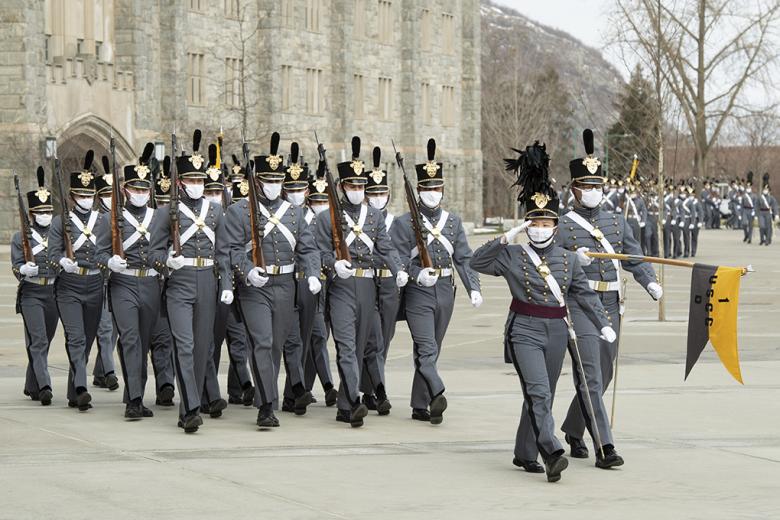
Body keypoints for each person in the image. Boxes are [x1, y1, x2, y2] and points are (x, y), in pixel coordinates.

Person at [471, 141, 616, 482]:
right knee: (537, 392)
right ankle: (551, 451)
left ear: (555, 226)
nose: (539, 228)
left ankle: (524, 452)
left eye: (546, 222)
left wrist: (603, 323)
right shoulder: (513, 255)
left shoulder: (567, 259)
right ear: (527, 224)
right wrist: (505, 238)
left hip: (556, 332)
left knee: (542, 396)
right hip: (524, 330)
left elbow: (584, 295)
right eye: (533, 222)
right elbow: (476, 262)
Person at [555, 129, 662, 467]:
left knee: (604, 372)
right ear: (574, 189)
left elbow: (633, 256)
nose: (593, 192)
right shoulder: (560, 224)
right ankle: (605, 447)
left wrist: (650, 282)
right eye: (587, 187)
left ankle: (574, 428)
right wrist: (574, 260)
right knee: (591, 375)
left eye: (598, 186)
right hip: (580, 306)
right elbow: (548, 263)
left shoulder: (616, 220)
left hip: (613, 305)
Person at [225, 133, 321, 428]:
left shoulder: (293, 213)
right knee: (263, 342)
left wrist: (314, 273)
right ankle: (266, 405)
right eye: (268, 181)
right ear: (257, 182)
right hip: (255, 288)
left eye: (278, 181)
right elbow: (229, 249)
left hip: (286, 285)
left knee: (275, 345)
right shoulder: (240, 211)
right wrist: (246, 271)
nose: (274, 186)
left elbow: (308, 247)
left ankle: (266, 396)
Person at [314, 136, 406, 427]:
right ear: (341, 187)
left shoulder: (375, 217)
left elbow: (386, 247)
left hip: (367, 287)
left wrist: (397, 268)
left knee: (361, 345)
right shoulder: (327, 217)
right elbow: (315, 250)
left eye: (361, 187)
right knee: (346, 346)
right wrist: (332, 263)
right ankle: (354, 400)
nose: (357, 191)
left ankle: (345, 405)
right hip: (341, 287)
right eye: (352, 186)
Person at [392, 138, 482, 425]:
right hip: (419, 290)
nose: (433, 193)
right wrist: (415, 271)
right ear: (418, 190)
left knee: (432, 348)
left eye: (437, 188)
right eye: (427, 189)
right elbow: (391, 254)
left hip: (445, 289)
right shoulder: (405, 222)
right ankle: (437, 390)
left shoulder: (452, 223)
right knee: (426, 346)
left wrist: (474, 288)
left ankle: (420, 404)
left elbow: (464, 258)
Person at [164, 130, 233, 433]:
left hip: (208, 280)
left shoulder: (216, 210)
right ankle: (191, 407)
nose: (195, 186)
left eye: (199, 182)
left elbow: (225, 252)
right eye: (190, 181)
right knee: (185, 345)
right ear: (181, 183)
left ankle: (187, 407)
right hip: (179, 282)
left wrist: (228, 284)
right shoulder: (167, 211)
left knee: (202, 347)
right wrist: (165, 259)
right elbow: (154, 248)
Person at [95, 143, 168, 419]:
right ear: (125, 189)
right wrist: (108, 262)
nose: (140, 194)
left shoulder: (158, 216)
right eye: (135, 189)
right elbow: (99, 253)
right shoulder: (111, 218)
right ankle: (134, 400)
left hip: (150, 283)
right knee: (130, 340)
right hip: (123, 284)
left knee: (145, 339)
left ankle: (136, 392)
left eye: (144, 190)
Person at [48, 150, 105, 412]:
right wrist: (61, 261)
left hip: (94, 284)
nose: (85, 199)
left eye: (89, 196)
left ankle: (74, 391)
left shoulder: (102, 221)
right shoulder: (62, 222)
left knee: (88, 339)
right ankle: (82, 388)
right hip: (69, 285)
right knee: (76, 337)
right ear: (71, 197)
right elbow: (50, 253)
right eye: (81, 195)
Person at [12, 167, 58, 406]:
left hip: (53, 292)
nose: (45, 214)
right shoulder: (21, 236)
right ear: (31, 213)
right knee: (38, 340)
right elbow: (15, 266)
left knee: (45, 341)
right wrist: (22, 270)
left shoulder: (60, 234)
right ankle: (45, 385)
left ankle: (32, 384)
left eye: (48, 210)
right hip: (31, 293)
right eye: (40, 211)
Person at [360, 146, 400, 415]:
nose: (377, 198)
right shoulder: (360, 221)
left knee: (383, 339)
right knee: (367, 337)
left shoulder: (398, 223)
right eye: (372, 194)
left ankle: (372, 386)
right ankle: (371, 389)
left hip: (389, 286)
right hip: (366, 282)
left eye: (381, 193)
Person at [302, 168, 339, 406]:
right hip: (310, 284)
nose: (320, 205)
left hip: (333, 283)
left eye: (324, 200)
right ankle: (328, 385)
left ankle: (304, 387)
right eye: (316, 201)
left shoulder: (335, 222)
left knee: (320, 337)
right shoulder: (299, 219)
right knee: (316, 335)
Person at [91, 157, 119, 392]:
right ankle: (109, 371)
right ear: (99, 196)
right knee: (105, 327)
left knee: (115, 330)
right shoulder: (95, 219)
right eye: (106, 194)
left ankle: (101, 371)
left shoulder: (121, 216)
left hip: (119, 278)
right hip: (98, 278)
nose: (111, 198)